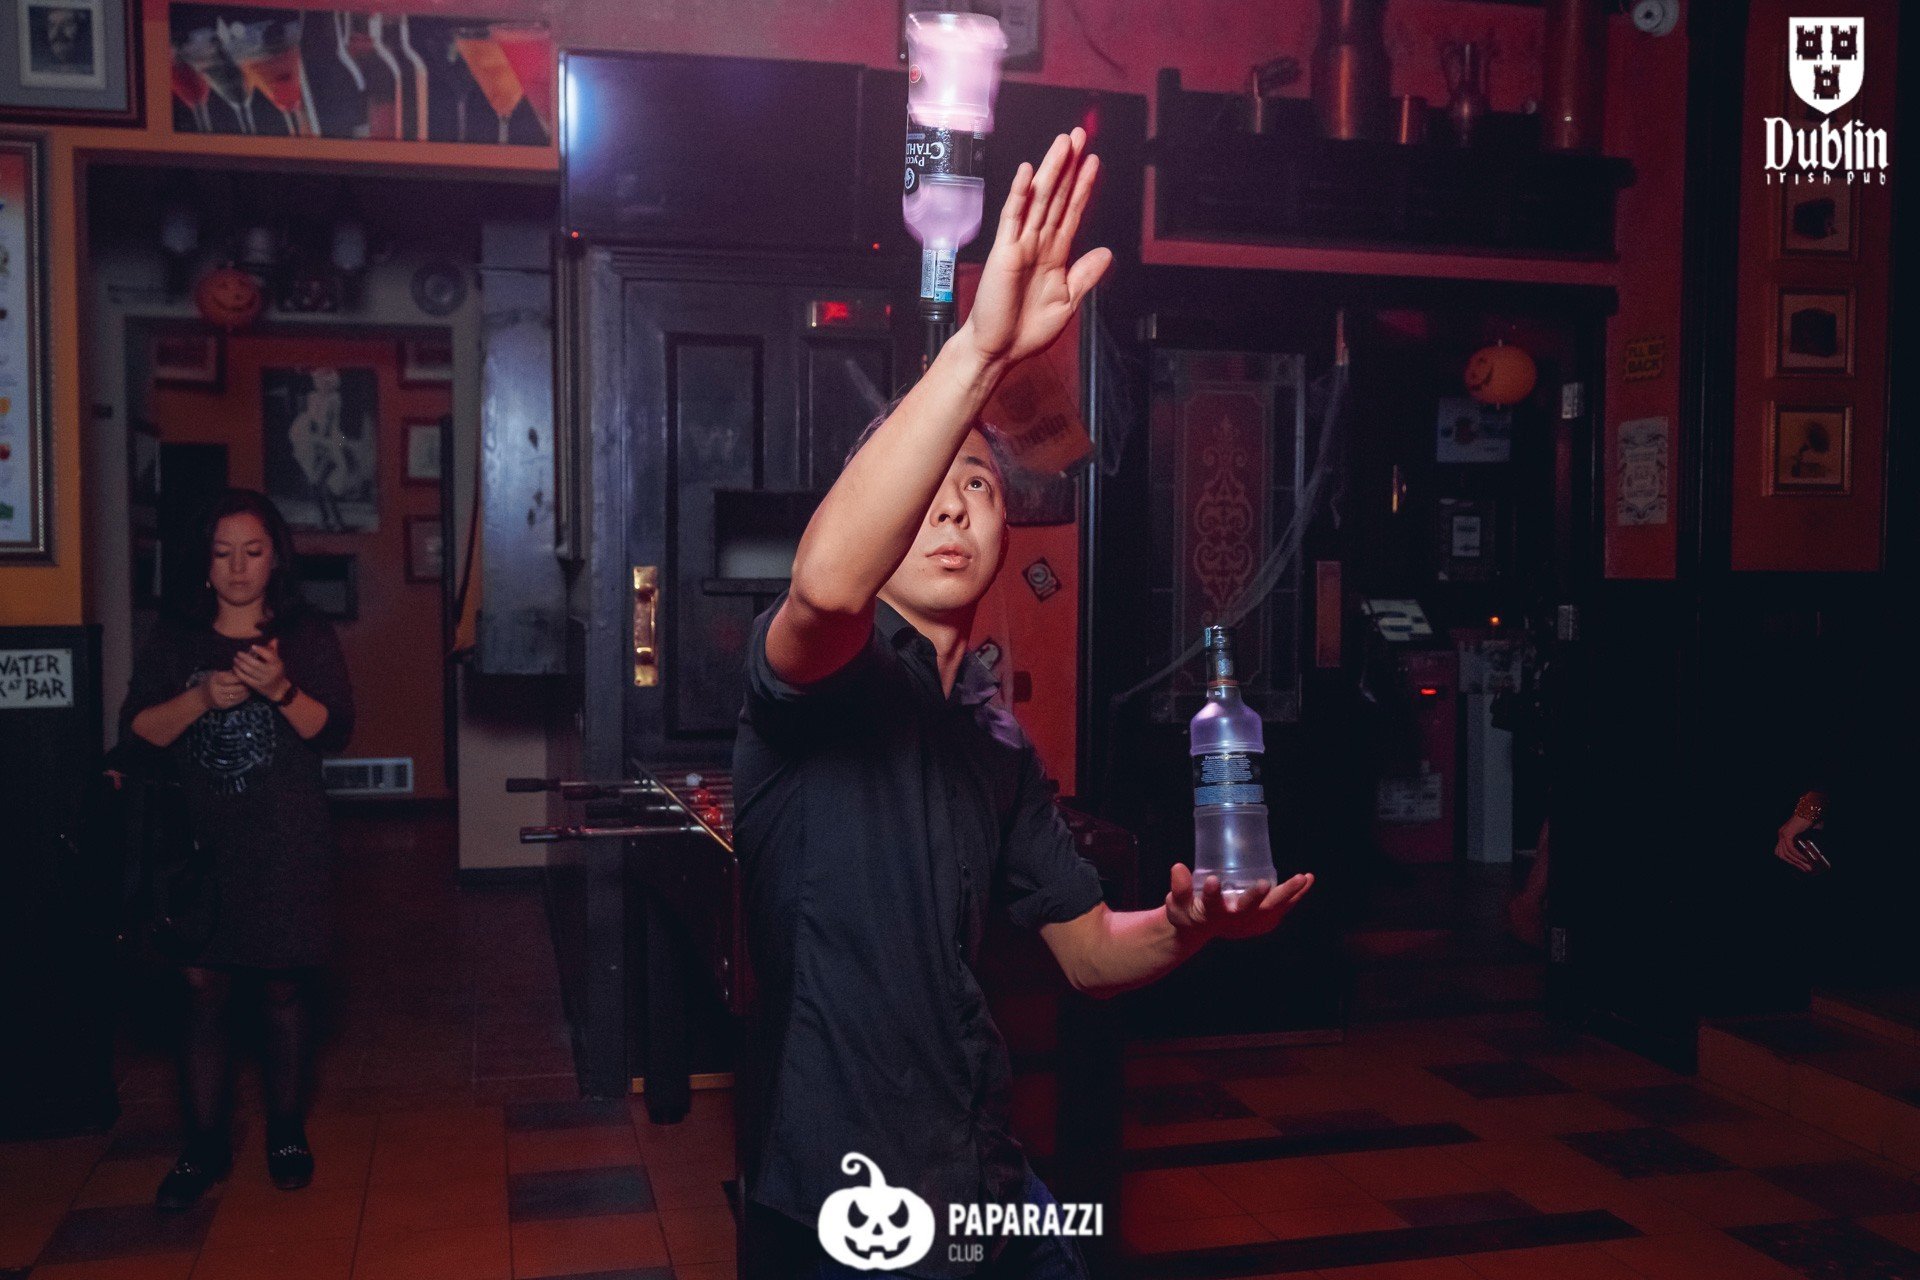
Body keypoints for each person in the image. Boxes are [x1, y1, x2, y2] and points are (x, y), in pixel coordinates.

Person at [733, 129, 1314, 1280]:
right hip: (845, 1203)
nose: (952, 510)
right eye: (925, 493)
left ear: (1008, 529)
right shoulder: (819, 680)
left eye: (978, 486)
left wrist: (1191, 924)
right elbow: (828, 585)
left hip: (982, 1173)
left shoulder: (994, 738)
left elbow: (1088, 951)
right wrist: (980, 350)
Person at [120, 489, 354, 1209]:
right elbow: (138, 733)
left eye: (252, 552)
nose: (238, 567)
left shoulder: (305, 633)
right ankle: (203, 1144)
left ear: (276, 557)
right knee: (202, 988)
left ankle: (286, 1131)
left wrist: (280, 689)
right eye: (223, 554)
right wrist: (201, 700)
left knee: (282, 987)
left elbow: (335, 731)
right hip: (197, 846)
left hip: (285, 841)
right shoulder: (176, 636)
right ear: (204, 563)